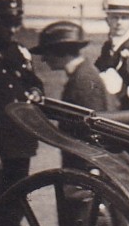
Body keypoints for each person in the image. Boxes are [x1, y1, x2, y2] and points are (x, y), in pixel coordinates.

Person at [0, 0, 44, 201]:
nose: (13, 29)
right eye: (7, 24)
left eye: (16, 24)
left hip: (20, 141)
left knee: (17, 199)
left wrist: (36, 91)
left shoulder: (20, 52)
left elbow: (34, 81)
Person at [33, 21, 110, 172]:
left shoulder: (83, 79)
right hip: (79, 161)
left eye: (46, 52)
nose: (43, 59)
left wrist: (93, 167)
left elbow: (95, 127)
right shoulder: (82, 74)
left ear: (60, 51)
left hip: (84, 165)